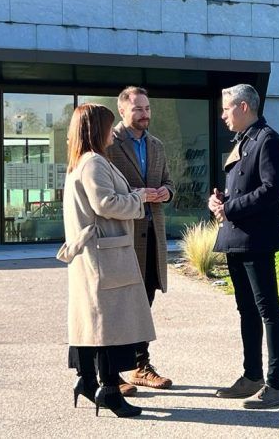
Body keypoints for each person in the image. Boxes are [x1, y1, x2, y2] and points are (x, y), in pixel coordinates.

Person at [56, 103, 157, 418]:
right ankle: (110, 390)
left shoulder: (81, 162)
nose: (113, 132)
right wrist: (138, 197)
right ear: (97, 129)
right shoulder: (94, 163)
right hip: (105, 255)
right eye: (109, 125)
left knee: (91, 322)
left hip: (94, 253)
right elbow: (105, 203)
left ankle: (87, 381)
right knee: (109, 326)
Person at [209, 84, 279, 409]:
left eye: (226, 108)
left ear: (243, 107)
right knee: (246, 310)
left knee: (268, 310)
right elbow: (243, 187)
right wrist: (220, 201)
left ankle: (276, 384)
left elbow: (273, 189)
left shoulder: (268, 139)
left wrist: (231, 208)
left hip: (256, 240)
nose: (223, 115)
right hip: (236, 239)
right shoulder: (243, 140)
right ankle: (252, 376)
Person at [107, 86, 174, 394]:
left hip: (152, 236)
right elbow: (104, 192)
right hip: (124, 236)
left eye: (147, 108)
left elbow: (169, 181)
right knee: (120, 306)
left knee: (144, 303)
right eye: (138, 109)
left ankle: (139, 365)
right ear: (122, 111)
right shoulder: (109, 144)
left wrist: (166, 192)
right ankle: (112, 372)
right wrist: (136, 195)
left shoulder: (156, 145)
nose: (145, 114)